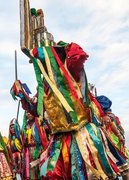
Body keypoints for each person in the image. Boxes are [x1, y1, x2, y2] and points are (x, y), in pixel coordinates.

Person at [12, 1, 129, 179]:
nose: (44, 63)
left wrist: (61, 48)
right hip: (60, 142)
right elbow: (37, 110)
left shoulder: (70, 72)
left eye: (47, 58)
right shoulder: (44, 87)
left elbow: (77, 55)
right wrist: (22, 95)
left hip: (83, 137)